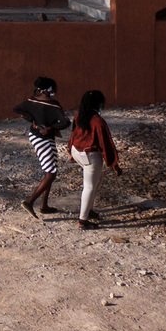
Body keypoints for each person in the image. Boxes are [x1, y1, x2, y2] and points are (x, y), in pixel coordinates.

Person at [14, 76, 69, 219]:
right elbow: (65, 122)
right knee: (51, 174)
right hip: (45, 139)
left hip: (35, 136)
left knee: (49, 171)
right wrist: (50, 128)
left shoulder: (32, 100)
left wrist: (32, 120)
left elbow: (17, 109)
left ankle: (44, 205)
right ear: (49, 89)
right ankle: (29, 202)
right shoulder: (53, 105)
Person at [65, 89, 119, 230]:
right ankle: (82, 220)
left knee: (97, 180)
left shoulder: (78, 115)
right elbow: (106, 144)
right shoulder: (98, 121)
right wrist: (114, 164)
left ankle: (88, 209)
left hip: (77, 151)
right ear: (98, 103)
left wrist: (70, 152)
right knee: (89, 187)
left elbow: (74, 135)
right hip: (90, 156)